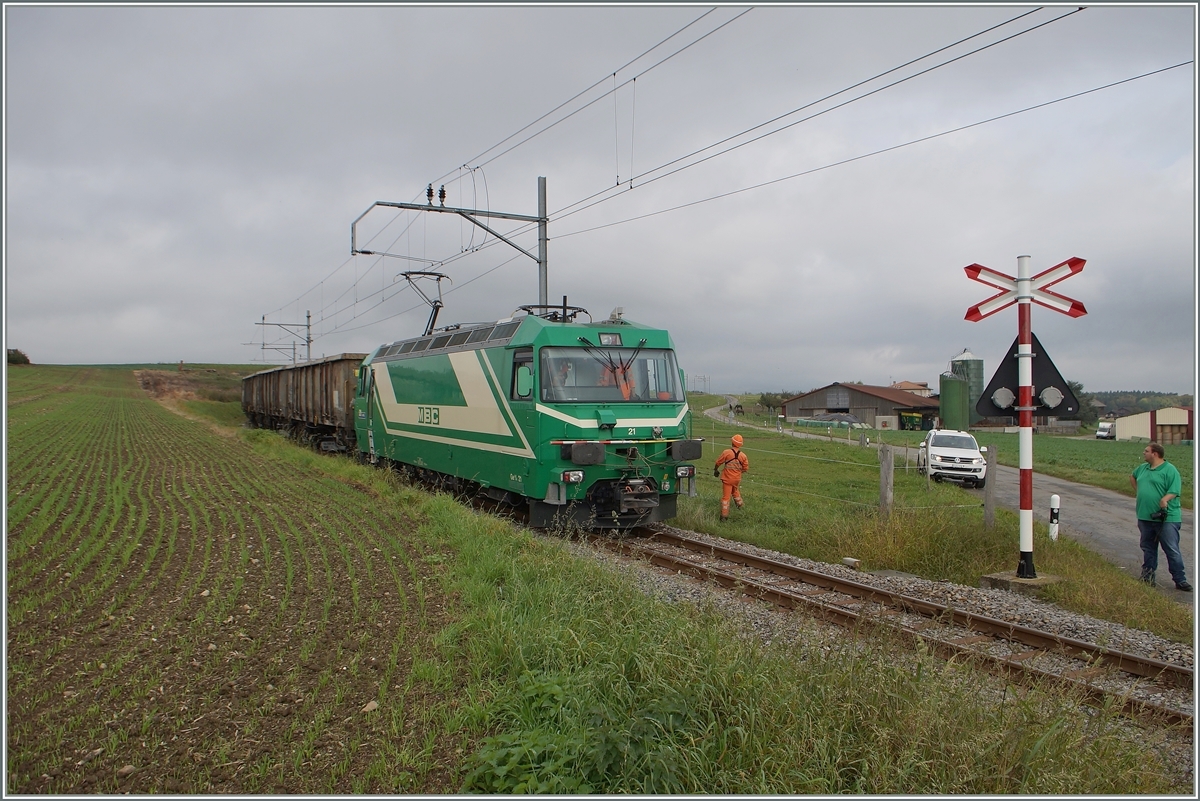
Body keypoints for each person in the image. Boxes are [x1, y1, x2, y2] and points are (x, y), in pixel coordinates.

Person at [1130, 442, 1190, 591]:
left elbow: (1175, 490)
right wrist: (1139, 491)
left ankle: (1180, 579)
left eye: (1146, 451)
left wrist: (1165, 499)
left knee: (1171, 548)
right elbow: (1133, 476)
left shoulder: (1170, 470)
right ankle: (1148, 576)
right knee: (1148, 547)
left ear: (1155, 454)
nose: (1144, 453)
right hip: (1145, 516)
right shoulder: (1143, 468)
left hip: (1166, 518)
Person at [714, 434, 749, 521]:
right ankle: (740, 506)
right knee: (735, 492)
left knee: (726, 497)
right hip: (736, 479)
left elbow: (718, 462)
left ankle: (724, 516)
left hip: (727, 479)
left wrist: (716, 470)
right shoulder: (743, 456)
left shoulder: (727, 452)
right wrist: (737, 472)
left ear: (732, 442)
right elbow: (745, 468)